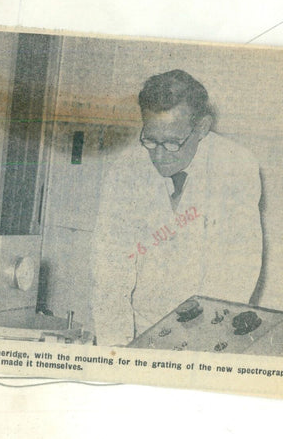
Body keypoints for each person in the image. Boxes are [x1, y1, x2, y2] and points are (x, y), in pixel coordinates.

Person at [91, 69, 263, 346]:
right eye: (150, 140)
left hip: (206, 332)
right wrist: (116, 348)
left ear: (203, 127)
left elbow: (235, 274)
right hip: (140, 329)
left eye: (172, 143)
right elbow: (109, 270)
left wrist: (194, 346)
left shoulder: (236, 166)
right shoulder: (124, 170)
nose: (158, 156)